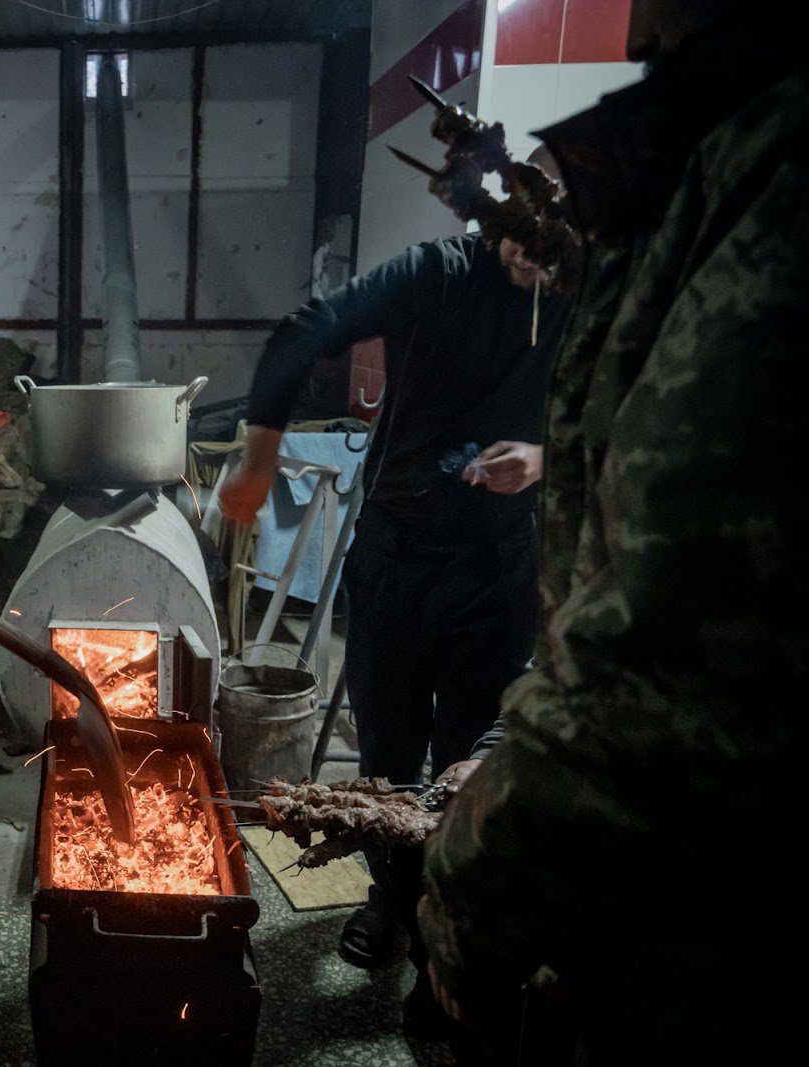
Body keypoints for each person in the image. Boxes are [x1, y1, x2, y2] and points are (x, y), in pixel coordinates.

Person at [417, 1, 802, 1059]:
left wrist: (473, 884)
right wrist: (530, 208)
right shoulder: (706, 164)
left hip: (714, 932)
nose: (634, 38)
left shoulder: (778, 162)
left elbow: (679, 641)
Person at [217, 193, 572, 1037]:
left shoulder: (583, 294)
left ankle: (440, 949)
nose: (534, 262)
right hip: (399, 555)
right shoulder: (437, 274)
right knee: (388, 746)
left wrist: (545, 456)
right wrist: (260, 454)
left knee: (468, 765)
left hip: (501, 562)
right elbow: (306, 329)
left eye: (551, 251)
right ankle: (388, 899)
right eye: (520, 242)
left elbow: (621, 409)